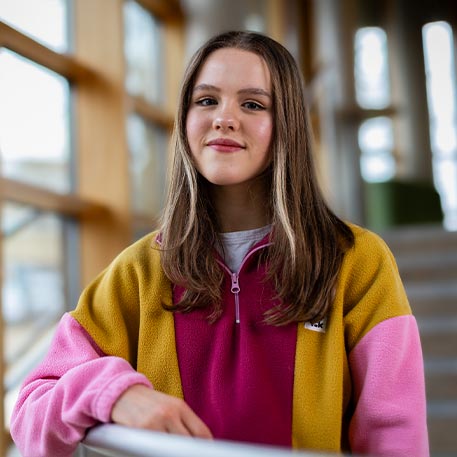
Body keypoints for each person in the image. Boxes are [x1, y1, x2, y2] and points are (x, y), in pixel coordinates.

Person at [11, 31, 429, 457]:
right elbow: (30, 412)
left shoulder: (359, 262)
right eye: (206, 100)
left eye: (252, 104)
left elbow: (396, 437)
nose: (223, 119)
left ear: (286, 124)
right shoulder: (137, 272)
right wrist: (114, 393)